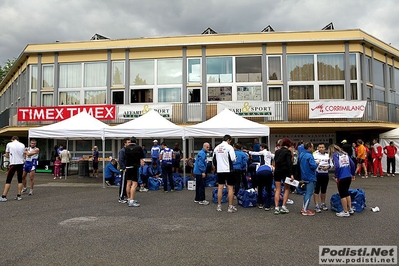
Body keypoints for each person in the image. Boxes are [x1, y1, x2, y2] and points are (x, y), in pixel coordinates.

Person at [328, 144, 356, 217]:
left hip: (342, 176)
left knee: (342, 194)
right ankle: (350, 209)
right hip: (348, 175)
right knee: (346, 192)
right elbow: (352, 164)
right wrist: (353, 174)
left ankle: (345, 211)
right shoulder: (345, 154)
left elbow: (337, 165)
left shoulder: (335, 155)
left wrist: (336, 176)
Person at [213, 134, 237, 213]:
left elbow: (213, 160)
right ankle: (230, 206)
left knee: (220, 187)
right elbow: (233, 159)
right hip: (228, 169)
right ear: (229, 140)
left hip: (220, 170)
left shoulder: (217, 148)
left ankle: (219, 206)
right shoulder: (229, 147)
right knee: (230, 188)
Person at [0, 136, 26, 202]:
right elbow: (24, 154)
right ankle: (18, 195)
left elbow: (7, 154)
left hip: (13, 163)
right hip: (20, 163)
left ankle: (4, 196)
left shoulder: (9, 144)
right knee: (19, 180)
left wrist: (10, 157)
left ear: (12, 140)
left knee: (8, 180)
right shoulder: (22, 145)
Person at [249, 144, 274, 210]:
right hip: (268, 170)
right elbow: (275, 157)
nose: (260, 148)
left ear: (263, 147)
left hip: (260, 170)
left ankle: (260, 203)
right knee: (268, 189)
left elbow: (255, 153)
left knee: (260, 187)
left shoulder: (263, 152)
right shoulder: (270, 153)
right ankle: (267, 206)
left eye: (260, 147)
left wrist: (248, 152)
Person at [273, 137, 294, 215]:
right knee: (286, 189)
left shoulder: (277, 151)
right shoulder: (288, 152)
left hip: (277, 171)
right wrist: (291, 174)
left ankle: (276, 207)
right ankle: (284, 206)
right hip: (286, 172)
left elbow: (275, 161)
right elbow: (290, 163)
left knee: (278, 189)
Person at [299, 142, 318, 216]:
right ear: (309, 147)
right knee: (309, 193)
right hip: (310, 176)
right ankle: (305, 210)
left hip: (304, 175)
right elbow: (313, 166)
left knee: (306, 192)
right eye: (312, 147)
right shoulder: (309, 156)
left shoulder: (302, 154)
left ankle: (304, 207)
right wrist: (317, 163)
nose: (313, 148)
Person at [124, 136, 144, 207]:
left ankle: (129, 198)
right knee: (134, 184)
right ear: (136, 141)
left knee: (128, 183)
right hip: (135, 167)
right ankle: (132, 200)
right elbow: (142, 156)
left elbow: (125, 157)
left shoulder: (126, 148)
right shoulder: (138, 148)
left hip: (128, 166)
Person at [313, 143, 330, 213]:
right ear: (318, 148)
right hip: (317, 174)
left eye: (322, 147)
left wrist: (328, 167)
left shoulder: (328, 155)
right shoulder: (315, 155)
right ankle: (316, 205)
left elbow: (331, 164)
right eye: (320, 147)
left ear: (325, 148)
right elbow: (312, 164)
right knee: (317, 190)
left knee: (324, 190)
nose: (321, 148)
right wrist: (318, 166)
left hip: (325, 174)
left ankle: (323, 203)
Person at [118, 137, 131, 204]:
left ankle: (125, 195)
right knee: (123, 183)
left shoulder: (128, 150)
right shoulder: (122, 151)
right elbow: (120, 160)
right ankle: (121, 197)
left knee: (127, 183)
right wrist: (123, 168)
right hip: (124, 169)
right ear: (125, 143)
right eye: (128, 142)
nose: (129, 143)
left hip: (129, 168)